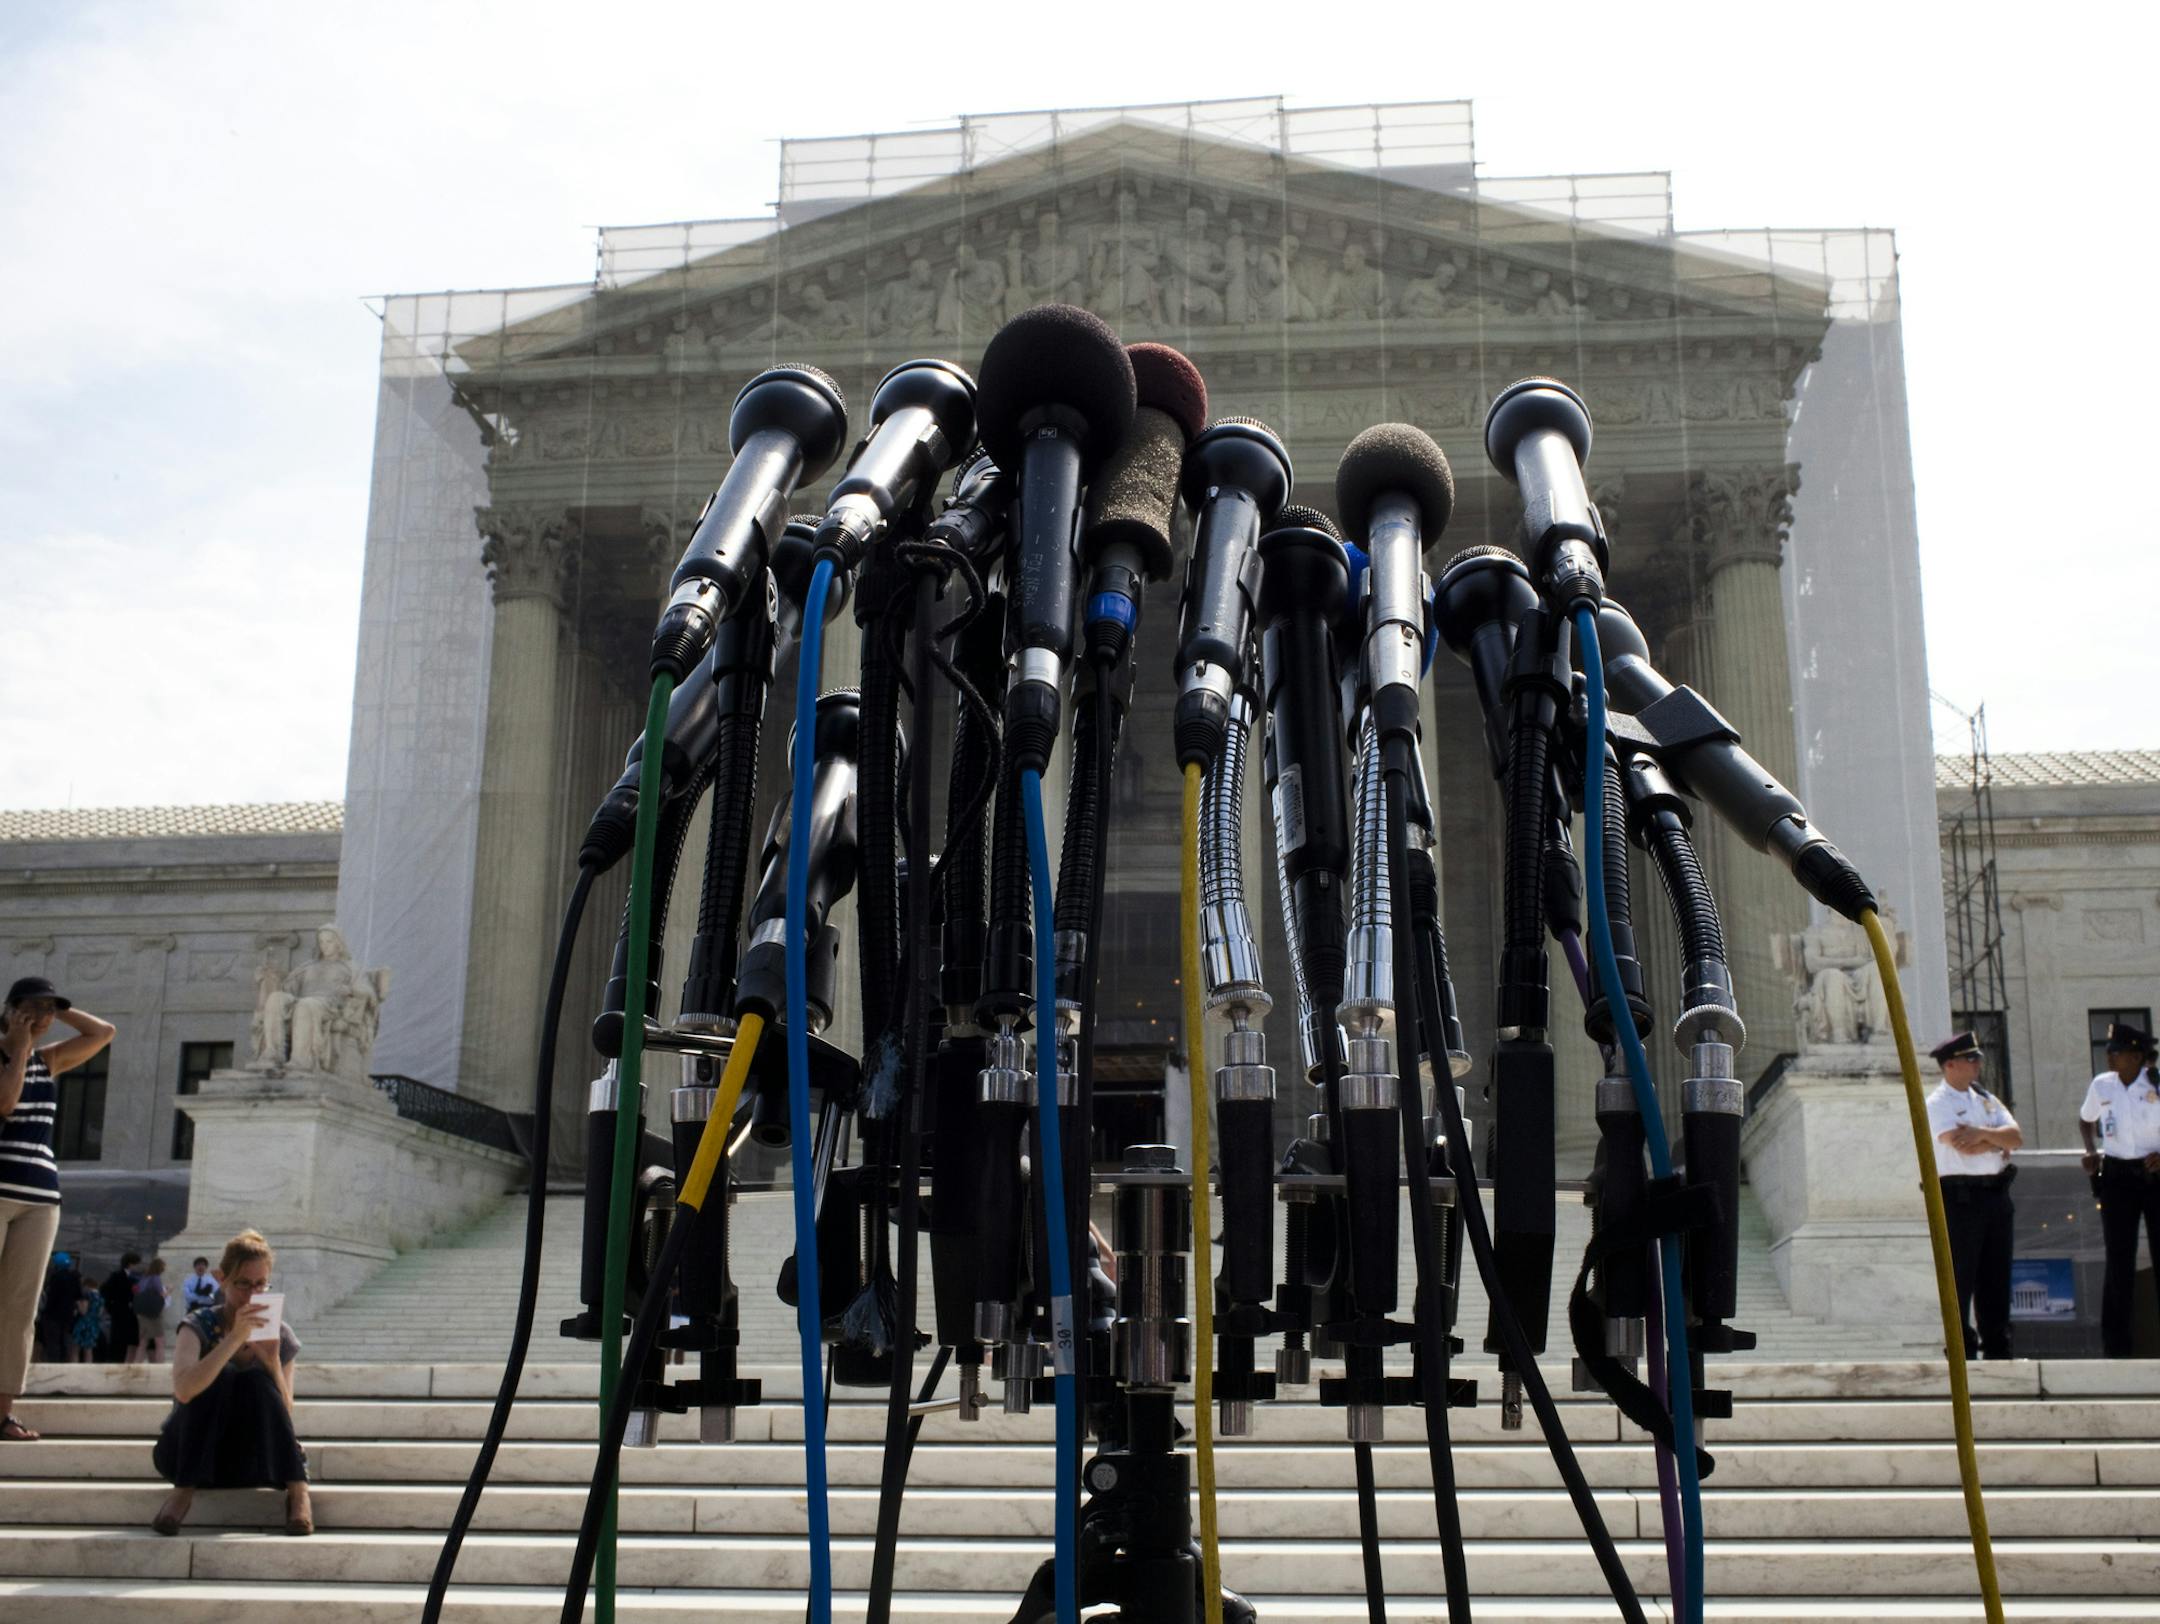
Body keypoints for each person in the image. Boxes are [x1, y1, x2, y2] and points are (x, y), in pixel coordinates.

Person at [0, 975, 116, 1441]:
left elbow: (103, 1033)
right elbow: (6, 1103)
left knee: (19, 1309)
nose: (41, 1019)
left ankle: (3, 1411)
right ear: (10, 1010)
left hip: (41, 1196)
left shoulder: (48, 1062)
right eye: (32, 1009)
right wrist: (17, 1041)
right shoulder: (20, 1057)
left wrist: (59, 1009)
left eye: (46, 1012)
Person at [152, 1227, 310, 1536]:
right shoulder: (198, 1324)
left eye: (260, 1285)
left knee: (255, 1380)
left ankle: (298, 1489)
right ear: (221, 1279)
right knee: (222, 1375)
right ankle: (182, 1492)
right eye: (243, 1284)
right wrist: (233, 1341)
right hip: (189, 1454)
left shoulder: (279, 1333)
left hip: (251, 1457)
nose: (252, 1295)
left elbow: (285, 1412)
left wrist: (272, 1363)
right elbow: (184, 1391)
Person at [1926, 1030, 2022, 1360]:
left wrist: (1983, 1134)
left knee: (1996, 1273)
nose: (1978, 1064)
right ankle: (1960, 1346)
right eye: (1971, 1059)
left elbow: (2016, 1137)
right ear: (1950, 1065)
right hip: (1959, 1197)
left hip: (1995, 1194)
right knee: (1960, 1276)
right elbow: (1958, 1144)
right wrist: (1995, 1142)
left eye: (1978, 1058)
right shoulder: (1938, 1103)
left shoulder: (1985, 1099)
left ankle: (1997, 1343)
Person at [2079, 1021, 2160, 1357]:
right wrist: (2091, 1150)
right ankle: (2116, 1349)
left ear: (2138, 1056)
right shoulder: (2103, 1085)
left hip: (2155, 1176)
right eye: (2108, 1052)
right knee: (2118, 1261)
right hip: (2117, 1175)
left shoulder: (2156, 1083)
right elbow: (2086, 1119)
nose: (2110, 1057)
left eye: (2117, 1052)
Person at [36, 1249, 81, 1362]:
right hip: (67, 1316)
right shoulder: (74, 1278)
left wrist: (45, 1312)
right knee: (65, 1341)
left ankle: (52, 1362)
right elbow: (78, 1296)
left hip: (52, 1315)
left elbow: (51, 1297)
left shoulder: (55, 1277)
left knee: (52, 1342)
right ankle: (63, 1362)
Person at [100, 1251, 143, 1365]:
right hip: (120, 1312)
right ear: (130, 1264)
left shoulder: (136, 1277)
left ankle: (126, 1361)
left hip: (131, 1313)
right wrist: (112, 1307)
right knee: (118, 1339)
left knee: (130, 1340)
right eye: (136, 1264)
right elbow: (105, 1291)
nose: (138, 1266)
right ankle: (115, 1361)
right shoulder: (117, 1275)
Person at [134, 1257, 171, 1364]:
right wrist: (169, 1290)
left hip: (142, 1313)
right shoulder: (155, 1278)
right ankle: (160, 1365)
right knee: (160, 1341)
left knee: (143, 1342)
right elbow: (161, 1295)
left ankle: (137, 1364)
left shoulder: (144, 1278)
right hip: (153, 1314)